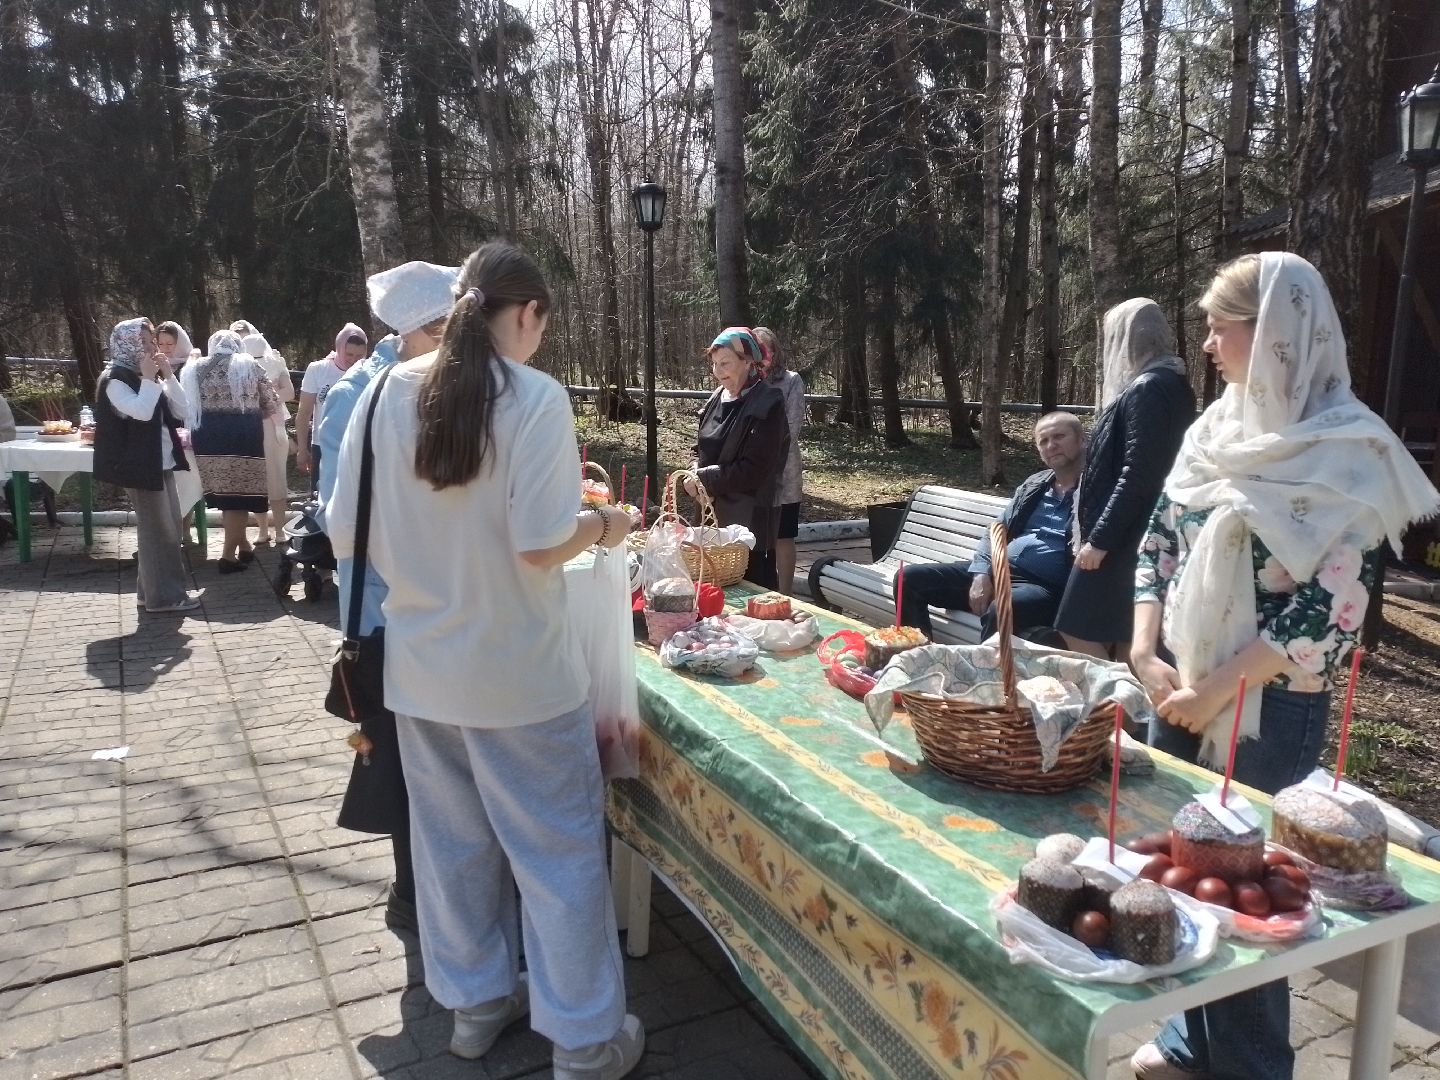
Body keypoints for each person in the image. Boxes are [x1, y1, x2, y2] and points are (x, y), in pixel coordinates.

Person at [327, 241, 644, 1077]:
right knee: (557, 855)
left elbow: (343, 529)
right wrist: (608, 526)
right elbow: (541, 543)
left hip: (422, 670)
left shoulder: (383, 392)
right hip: (521, 677)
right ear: (527, 313)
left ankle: (474, 1005)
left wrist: (425, 563)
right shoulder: (534, 397)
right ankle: (583, 1042)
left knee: (452, 850)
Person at [1128, 253, 1440, 1080]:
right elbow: (1159, 542)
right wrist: (1142, 648)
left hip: (1265, 706)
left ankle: (1256, 1066)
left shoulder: (1351, 449)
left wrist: (1209, 690)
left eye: (1218, 327)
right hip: (1180, 687)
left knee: (1245, 903)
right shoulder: (1214, 430)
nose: (1205, 345)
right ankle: (1192, 1042)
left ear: (1274, 337)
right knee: (1182, 880)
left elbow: (1331, 615)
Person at [316, 259, 459, 934]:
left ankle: (429, 887)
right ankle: (412, 893)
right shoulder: (365, 393)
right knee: (400, 753)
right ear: (426, 329)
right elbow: (341, 518)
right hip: (384, 606)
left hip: (410, 600)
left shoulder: (413, 382)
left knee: (419, 749)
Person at [1055, 300, 1195, 658]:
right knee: (1131, 638)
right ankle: (1128, 711)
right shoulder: (1170, 382)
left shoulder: (1148, 387)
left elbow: (1139, 473)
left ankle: (1119, 705)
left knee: (1077, 626)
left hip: (1126, 536)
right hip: (1142, 529)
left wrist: (1099, 540)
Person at [897, 412, 1085, 639]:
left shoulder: (1096, 491)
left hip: (1044, 587)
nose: (1051, 445)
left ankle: (985, 672)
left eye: (1059, 436)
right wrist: (981, 573)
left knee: (1001, 609)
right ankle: (917, 660)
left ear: (1081, 439)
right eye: (1043, 441)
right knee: (908, 578)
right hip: (999, 571)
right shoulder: (1035, 484)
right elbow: (996, 529)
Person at [92, 319, 202, 613]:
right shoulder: (114, 378)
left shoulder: (146, 375)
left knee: (167, 530)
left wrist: (168, 376)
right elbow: (140, 412)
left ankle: (147, 593)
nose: (151, 347)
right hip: (139, 466)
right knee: (159, 534)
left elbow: (181, 410)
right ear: (127, 343)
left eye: (151, 340)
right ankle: (165, 598)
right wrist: (150, 379)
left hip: (161, 461)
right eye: (143, 341)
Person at [684, 327, 790, 589]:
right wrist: (693, 470)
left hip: (749, 523)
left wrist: (702, 480)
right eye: (715, 364)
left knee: (749, 600)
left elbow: (755, 470)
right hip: (709, 516)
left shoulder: (768, 403)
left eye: (726, 363)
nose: (719, 372)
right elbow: (701, 448)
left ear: (747, 361)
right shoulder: (716, 398)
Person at [181, 330, 280, 572]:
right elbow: (271, 402)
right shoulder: (247, 364)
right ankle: (227, 557)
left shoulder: (194, 367)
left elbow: (185, 403)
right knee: (239, 496)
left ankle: (244, 546)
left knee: (226, 494)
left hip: (206, 436)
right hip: (242, 434)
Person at [752, 326, 806, 594]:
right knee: (755, 537)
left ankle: (786, 593)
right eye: (755, 351)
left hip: (784, 473)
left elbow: (792, 428)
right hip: (750, 474)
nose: (761, 357)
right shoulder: (744, 382)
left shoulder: (791, 381)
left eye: (765, 350)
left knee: (783, 536)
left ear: (774, 352)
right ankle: (758, 591)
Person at [241, 332, 295, 544]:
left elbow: (289, 392)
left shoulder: (276, 362)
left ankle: (280, 530)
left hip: (273, 428)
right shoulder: (239, 369)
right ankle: (263, 529)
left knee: (276, 477)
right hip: (250, 427)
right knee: (255, 479)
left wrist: (266, 399)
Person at [297, 323, 367, 483]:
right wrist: (302, 449)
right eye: (349, 354)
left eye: (359, 356)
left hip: (357, 445)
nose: (354, 360)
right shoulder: (318, 369)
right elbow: (304, 412)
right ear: (339, 348)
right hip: (323, 444)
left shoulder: (369, 371)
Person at [156, 321, 204, 538]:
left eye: (170, 344)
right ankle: (169, 529)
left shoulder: (191, 367)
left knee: (186, 481)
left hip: (184, 430)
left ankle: (185, 528)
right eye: (161, 343)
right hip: (160, 429)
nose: (166, 349)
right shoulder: (152, 366)